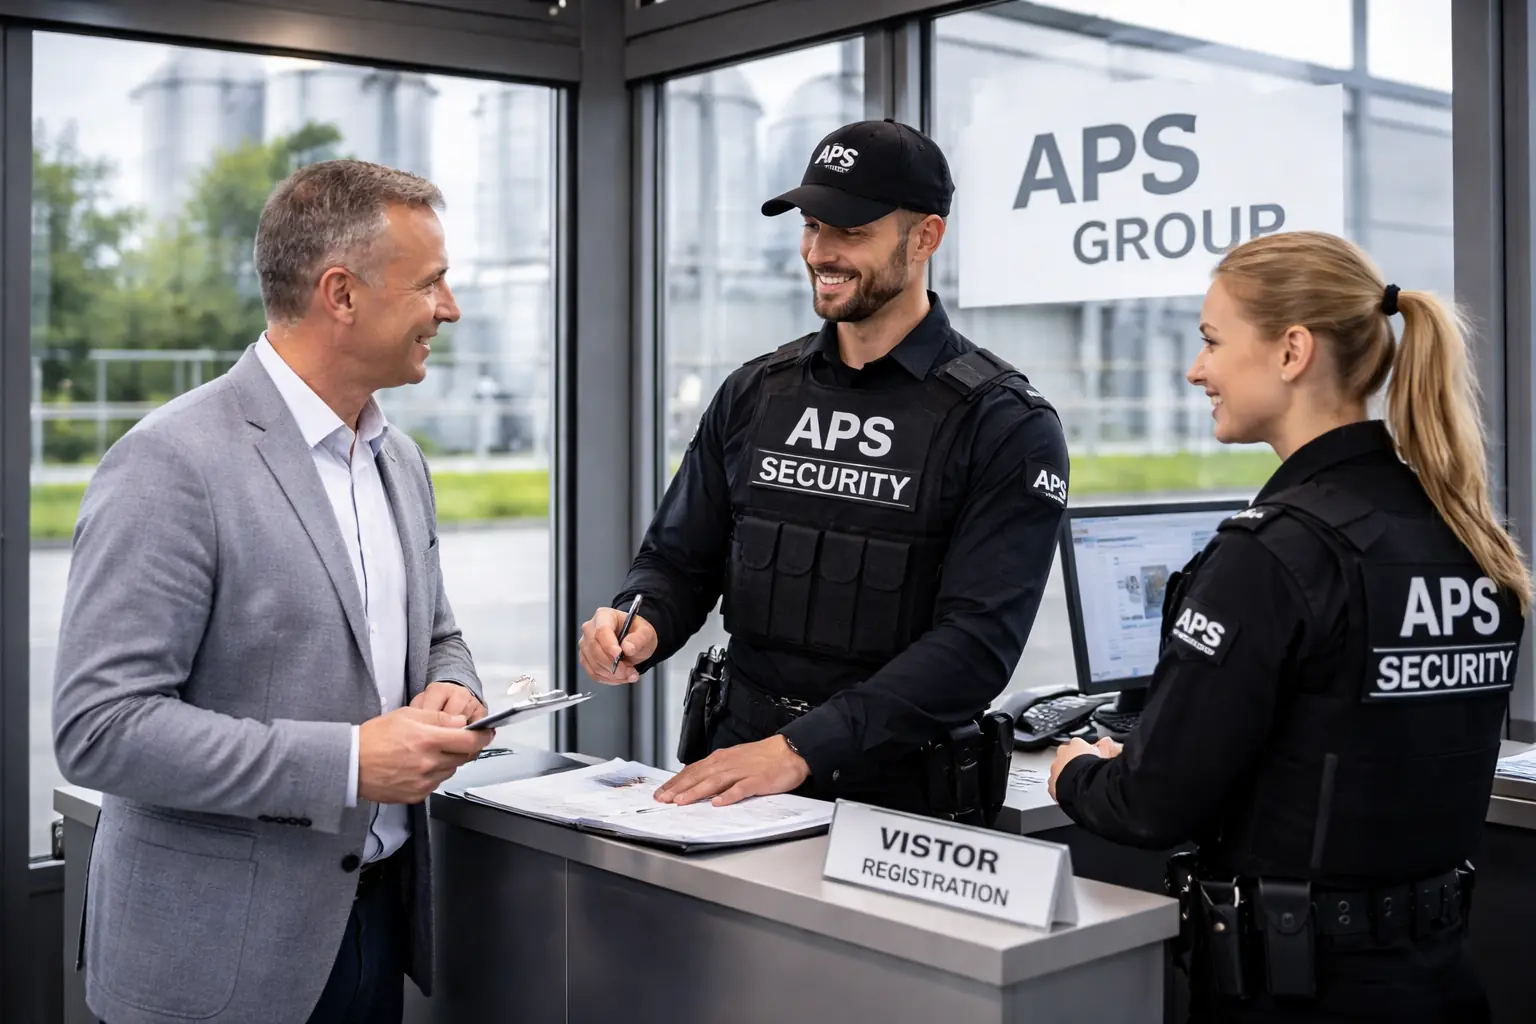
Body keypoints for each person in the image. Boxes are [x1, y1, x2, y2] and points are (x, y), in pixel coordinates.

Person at [1047, 230, 1531, 1023]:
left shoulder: (1275, 555)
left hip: (1299, 993)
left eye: (1211, 340)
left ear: (1292, 351)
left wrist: (1075, 771)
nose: (1196, 369)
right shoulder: (1465, 537)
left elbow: (1151, 803)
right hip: (1436, 983)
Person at [53, 160, 496, 1024]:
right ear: (341, 294)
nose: (448, 309)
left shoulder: (398, 458)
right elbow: (99, 728)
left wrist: (454, 684)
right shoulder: (169, 463)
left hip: (374, 926)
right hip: (214, 965)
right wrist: (348, 763)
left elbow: (437, 633)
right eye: (430, 283)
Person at [577, 119, 1069, 818]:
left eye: (850, 231)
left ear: (925, 237)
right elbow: (678, 560)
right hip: (736, 775)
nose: (819, 252)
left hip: (897, 803)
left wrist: (799, 748)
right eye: (811, 226)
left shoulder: (1004, 423)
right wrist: (642, 617)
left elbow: (976, 646)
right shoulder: (755, 392)